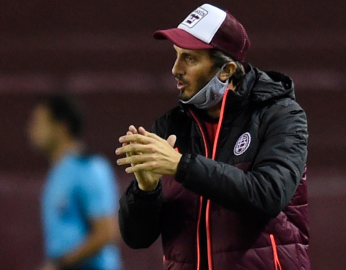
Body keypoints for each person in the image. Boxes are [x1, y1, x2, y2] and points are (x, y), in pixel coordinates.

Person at [116, 3, 309, 270]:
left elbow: (269, 194)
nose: (176, 69)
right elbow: (137, 238)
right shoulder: (170, 126)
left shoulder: (280, 115)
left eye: (190, 59)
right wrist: (145, 191)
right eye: (176, 55)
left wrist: (181, 166)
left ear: (227, 71)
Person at [27, 94, 121, 270]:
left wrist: (59, 264)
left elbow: (107, 232)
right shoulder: (57, 173)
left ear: (61, 127)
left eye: (39, 124)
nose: (32, 131)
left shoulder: (89, 168)